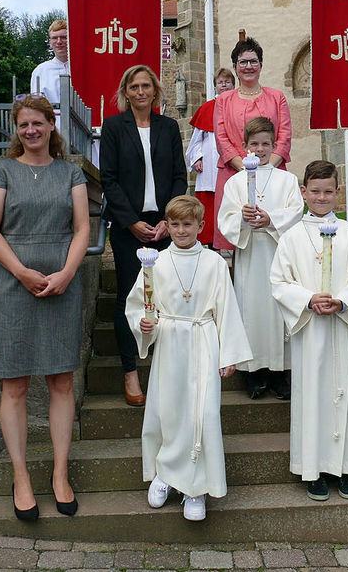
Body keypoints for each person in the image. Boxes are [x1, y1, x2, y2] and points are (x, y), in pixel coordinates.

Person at [0, 95, 90, 521]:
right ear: (17, 128)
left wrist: (66, 273)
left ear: (51, 124)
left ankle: (60, 474)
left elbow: (82, 228)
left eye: (38, 124)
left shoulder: (71, 172)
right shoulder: (1, 170)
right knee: (16, 385)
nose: (31, 131)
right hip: (13, 284)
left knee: (61, 380)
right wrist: (22, 272)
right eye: (23, 125)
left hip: (62, 283)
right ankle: (22, 477)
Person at [125, 196, 252, 521]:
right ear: (167, 226)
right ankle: (165, 474)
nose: (182, 230)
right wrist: (143, 323)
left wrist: (230, 353)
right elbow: (139, 303)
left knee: (202, 413)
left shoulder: (214, 263)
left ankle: (196, 489)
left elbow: (227, 308)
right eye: (176, 224)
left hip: (203, 340)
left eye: (188, 224)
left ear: (200, 226)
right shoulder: (156, 263)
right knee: (169, 410)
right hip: (170, 341)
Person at [270, 160, 348, 502]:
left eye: (328, 192)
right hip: (311, 330)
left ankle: (347, 467)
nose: (321, 197)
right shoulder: (290, 238)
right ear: (303, 192)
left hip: (341, 328)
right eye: (314, 191)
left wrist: (343, 302)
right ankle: (313, 469)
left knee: (346, 393)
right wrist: (307, 299)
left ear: (338, 193)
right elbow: (279, 280)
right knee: (312, 396)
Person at [101, 65, 188, 406]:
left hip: (165, 225)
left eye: (145, 86)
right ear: (126, 92)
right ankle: (130, 372)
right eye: (134, 86)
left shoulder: (167, 127)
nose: (140, 92)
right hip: (128, 227)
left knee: (167, 295)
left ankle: (166, 370)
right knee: (128, 296)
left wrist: (170, 217)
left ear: (155, 91)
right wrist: (130, 221)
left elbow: (180, 176)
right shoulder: (113, 127)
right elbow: (108, 179)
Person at [218, 117, 303, 399]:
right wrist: (242, 220)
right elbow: (225, 218)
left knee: (278, 311)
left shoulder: (287, 179)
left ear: (274, 145)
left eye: (266, 143)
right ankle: (253, 373)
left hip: (280, 255)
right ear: (244, 147)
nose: (260, 149)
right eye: (254, 144)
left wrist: (271, 219)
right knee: (252, 311)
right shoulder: (235, 182)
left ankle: (280, 373)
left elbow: (296, 211)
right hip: (251, 255)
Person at [213, 37, 293, 250]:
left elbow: (284, 136)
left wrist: (266, 168)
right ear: (235, 67)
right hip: (234, 173)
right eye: (243, 62)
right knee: (238, 234)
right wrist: (246, 170)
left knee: (272, 230)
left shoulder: (277, 98)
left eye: (253, 61)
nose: (248, 66)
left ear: (261, 65)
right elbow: (222, 138)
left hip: (273, 172)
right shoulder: (223, 100)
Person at [186, 68, 235, 245]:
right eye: (220, 82)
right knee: (209, 210)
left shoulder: (238, 107)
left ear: (233, 85)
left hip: (232, 166)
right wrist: (197, 158)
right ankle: (210, 246)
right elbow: (195, 142)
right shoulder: (207, 109)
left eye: (227, 82)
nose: (223, 85)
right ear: (215, 87)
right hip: (209, 169)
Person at [29, 19, 70, 125]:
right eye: (55, 38)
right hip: (54, 129)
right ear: (50, 42)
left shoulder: (82, 68)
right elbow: (36, 107)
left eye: (64, 37)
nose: (59, 42)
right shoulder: (40, 71)